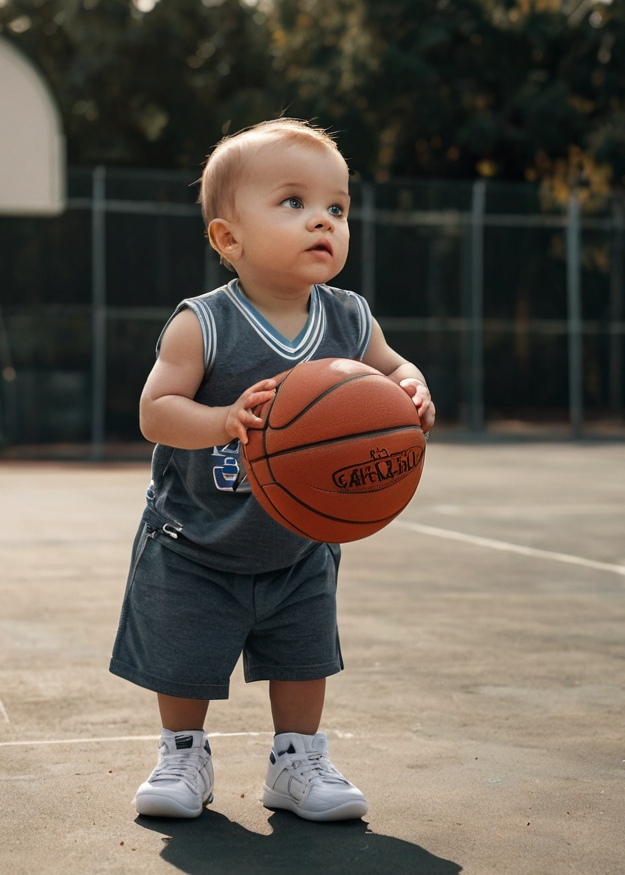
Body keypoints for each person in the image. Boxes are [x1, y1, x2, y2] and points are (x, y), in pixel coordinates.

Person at [110, 119, 435, 821]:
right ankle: (183, 753)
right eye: (292, 202)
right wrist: (224, 419)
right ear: (229, 239)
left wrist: (412, 386)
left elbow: (392, 365)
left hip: (298, 540)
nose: (323, 219)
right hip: (194, 541)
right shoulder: (204, 323)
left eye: (337, 208)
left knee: (304, 654)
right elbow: (156, 410)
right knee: (184, 657)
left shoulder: (350, 319)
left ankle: (297, 761)